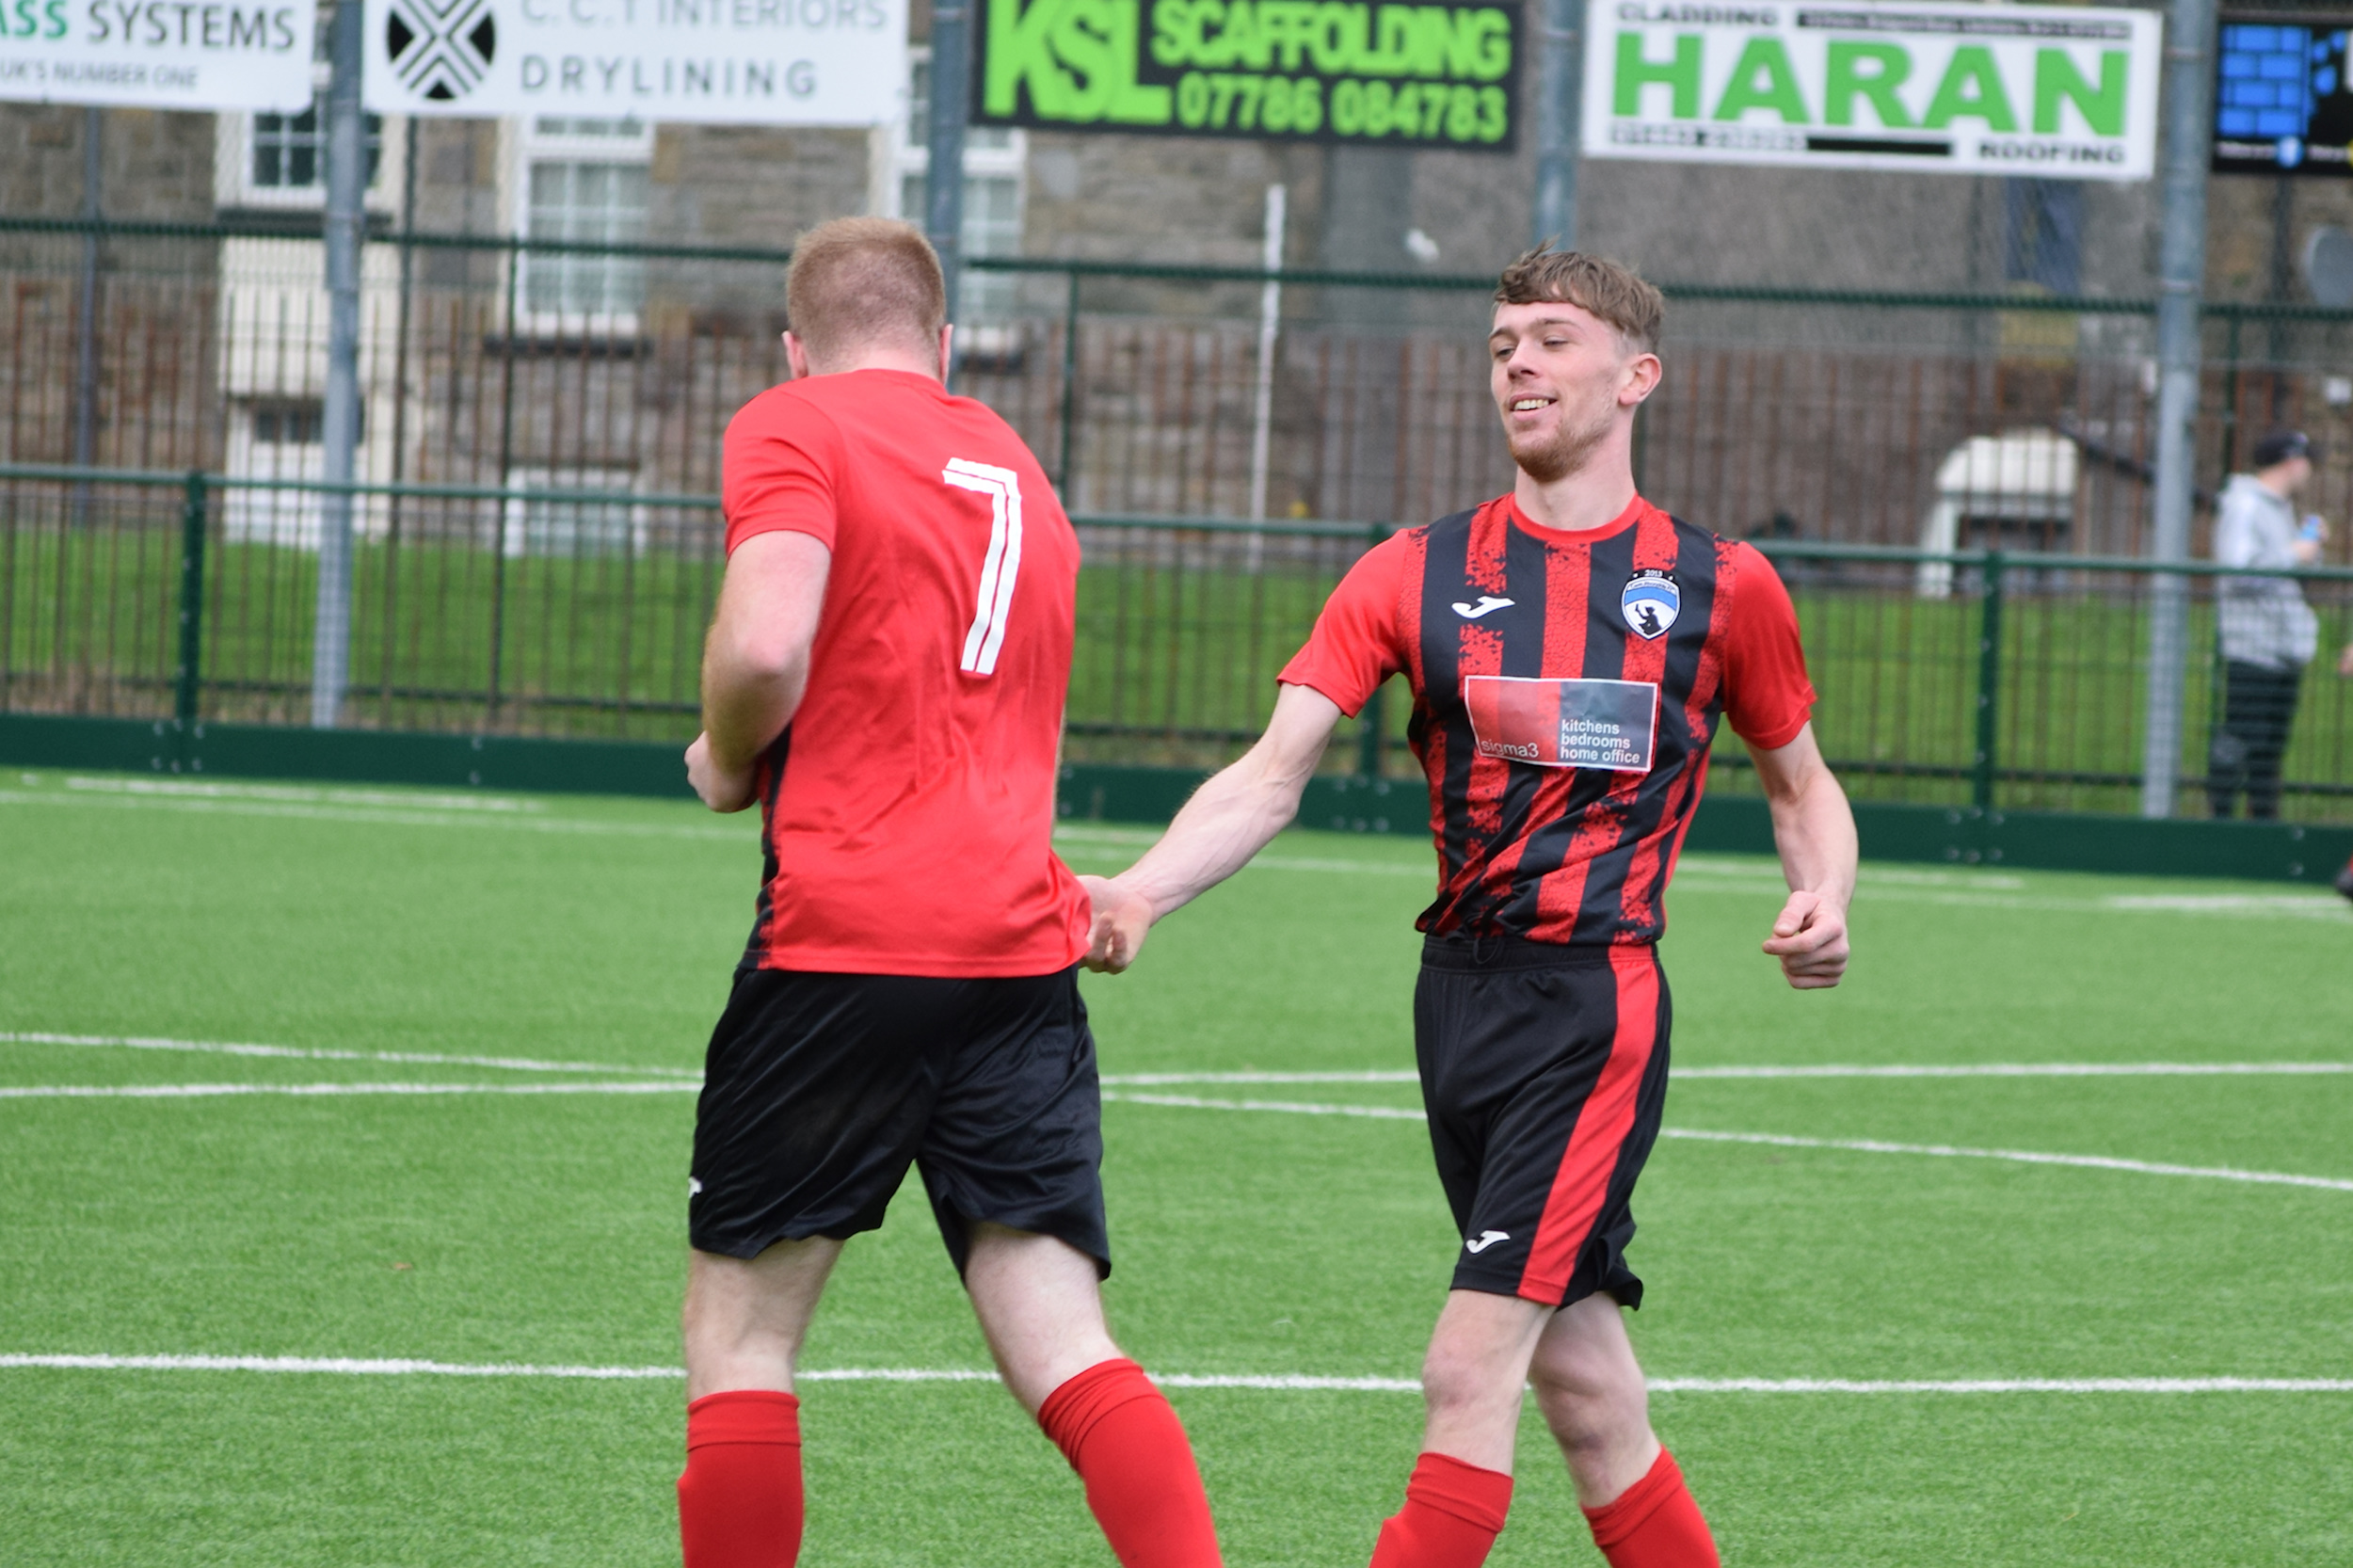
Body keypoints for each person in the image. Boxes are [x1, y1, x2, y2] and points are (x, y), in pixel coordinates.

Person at [1081, 248, 1857, 1568]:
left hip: (1590, 1004)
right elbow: (1272, 774)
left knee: (1467, 1369)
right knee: (1594, 1398)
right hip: (1457, 1004)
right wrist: (1142, 889)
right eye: (1504, 344)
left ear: (1636, 376)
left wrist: (1823, 891)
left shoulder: (1724, 584)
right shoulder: (1413, 572)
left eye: (1553, 340)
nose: (1520, 365)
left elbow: (1802, 782)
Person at [675, 216, 1221, 1568]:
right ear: (948, 341)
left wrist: (729, 753)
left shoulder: (794, 425)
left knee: (742, 1340)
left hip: (846, 942)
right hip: (1017, 953)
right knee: (1066, 1347)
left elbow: (763, 635)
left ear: (797, 347)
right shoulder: (1022, 470)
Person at [2208, 430, 2326, 820]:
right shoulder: (2245, 505)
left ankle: (2263, 821)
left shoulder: (2281, 508)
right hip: (2252, 644)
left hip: (2282, 647)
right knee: (2242, 738)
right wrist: (2294, 553)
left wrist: (2306, 552)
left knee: (2270, 747)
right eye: (2307, 461)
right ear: (2292, 462)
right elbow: (2239, 571)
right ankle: (2221, 820)